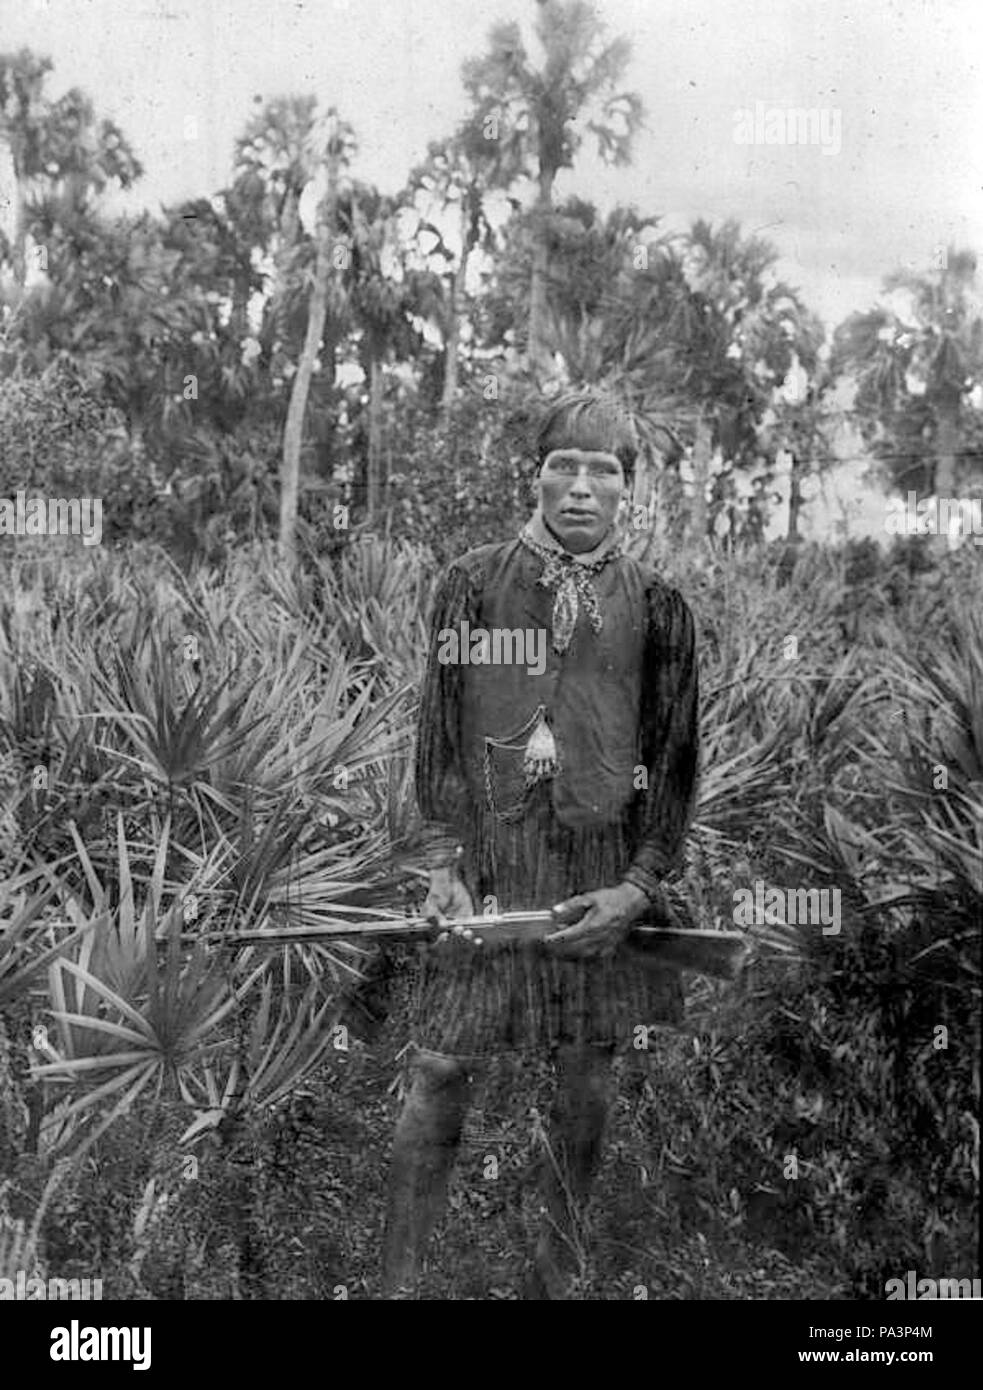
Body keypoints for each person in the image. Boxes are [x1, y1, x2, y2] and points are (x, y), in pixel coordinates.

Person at [381, 391, 700, 1299]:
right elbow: (436, 732)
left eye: (604, 470)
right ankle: (398, 1285)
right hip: (487, 863)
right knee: (440, 1066)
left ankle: (558, 1277)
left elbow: (674, 766)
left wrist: (636, 892)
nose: (582, 487)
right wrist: (440, 867)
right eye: (564, 464)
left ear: (628, 489)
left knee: (586, 1074)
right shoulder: (471, 584)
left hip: (597, 871)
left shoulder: (663, 610)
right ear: (535, 474)